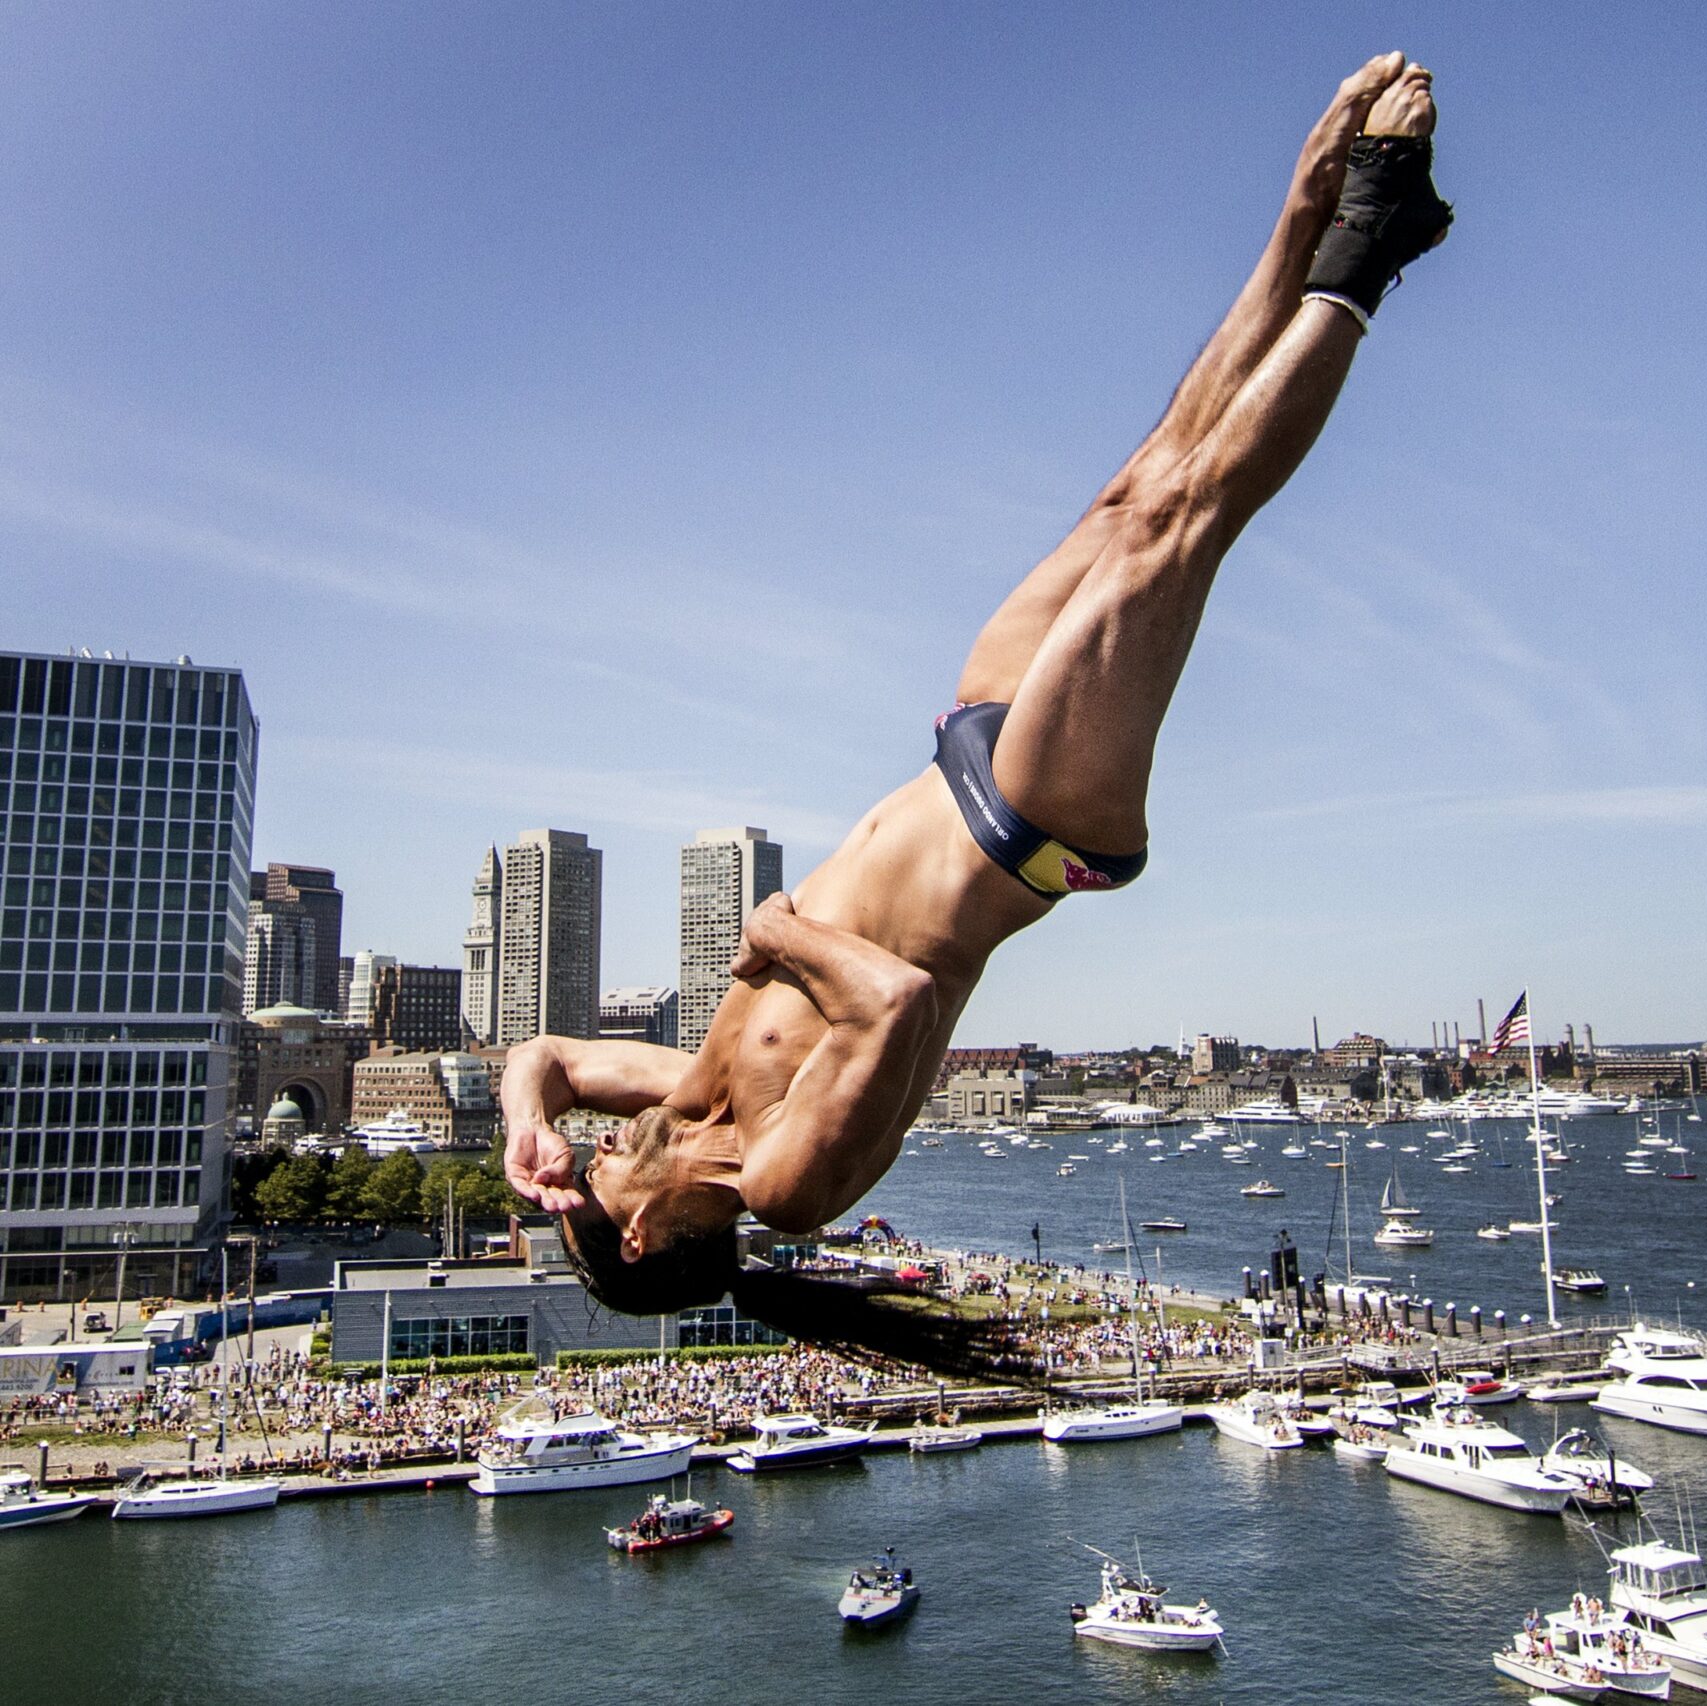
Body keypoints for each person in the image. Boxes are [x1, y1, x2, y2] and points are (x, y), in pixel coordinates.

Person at [501, 54, 1452, 1370]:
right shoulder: (783, 1179)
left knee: (1139, 483)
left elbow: (546, 1051)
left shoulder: (680, 1090)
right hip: (1031, 826)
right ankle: (1368, 242)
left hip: (962, 749)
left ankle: (1306, 204)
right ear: (650, 1238)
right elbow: (889, 1003)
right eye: (591, 1192)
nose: (595, 1160)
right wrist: (782, 930)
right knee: (1183, 528)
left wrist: (523, 1127)